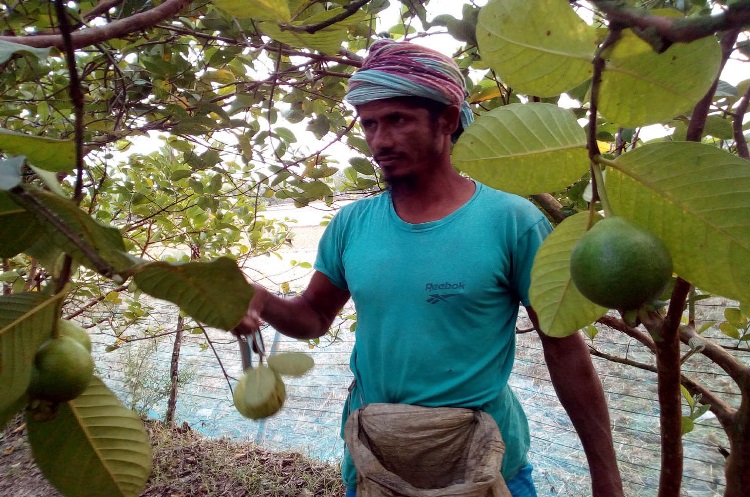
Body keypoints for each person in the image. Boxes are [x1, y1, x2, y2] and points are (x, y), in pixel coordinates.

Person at [234, 39, 624, 497]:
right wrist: (258, 298)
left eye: (397, 119)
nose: (380, 141)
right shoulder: (352, 224)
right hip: (378, 460)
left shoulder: (512, 222)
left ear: (447, 119)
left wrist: (606, 477)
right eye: (370, 124)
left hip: (486, 462)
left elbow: (565, 351)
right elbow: (313, 318)